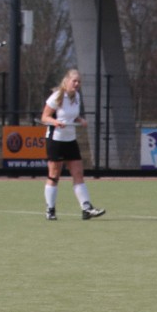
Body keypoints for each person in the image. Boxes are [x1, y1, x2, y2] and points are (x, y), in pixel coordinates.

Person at [41, 68, 105, 221]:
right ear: (67, 81)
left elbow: (72, 116)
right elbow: (45, 117)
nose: (76, 84)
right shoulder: (57, 96)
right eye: (74, 81)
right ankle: (50, 210)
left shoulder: (76, 96)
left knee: (78, 173)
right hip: (56, 140)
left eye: (79, 82)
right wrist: (55, 122)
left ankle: (86, 208)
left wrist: (80, 120)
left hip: (70, 140)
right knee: (54, 175)